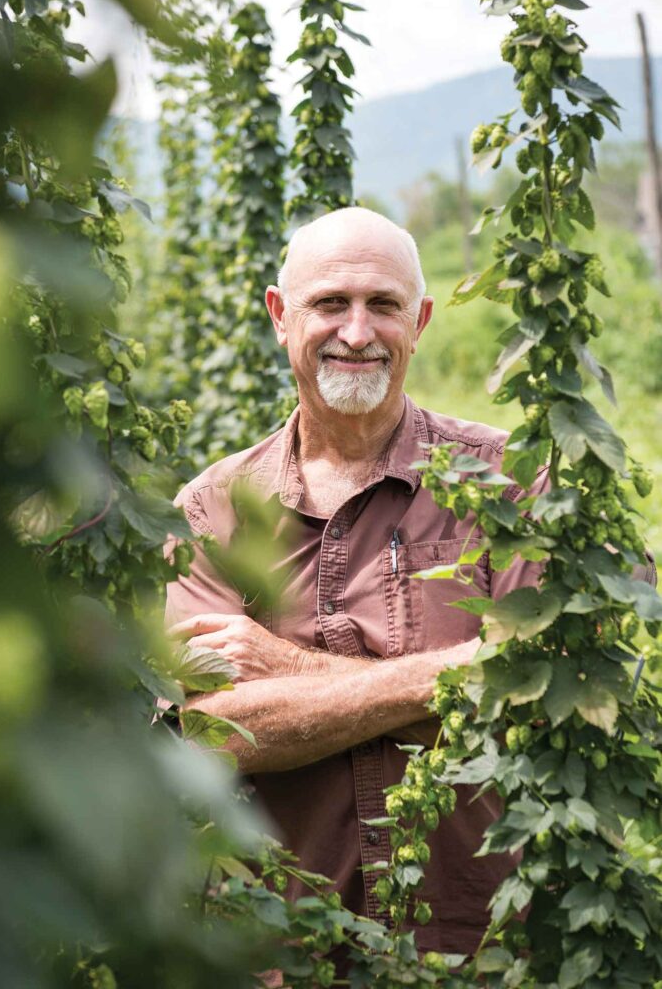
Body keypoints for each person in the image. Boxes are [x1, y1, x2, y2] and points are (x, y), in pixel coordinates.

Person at [164, 207, 545, 954]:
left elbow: (543, 701)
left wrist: (288, 669)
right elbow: (215, 735)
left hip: (485, 947)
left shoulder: (511, 485)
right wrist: (458, 675)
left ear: (422, 319)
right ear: (280, 315)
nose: (358, 332)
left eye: (384, 306)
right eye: (330, 304)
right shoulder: (212, 510)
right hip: (282, 949)